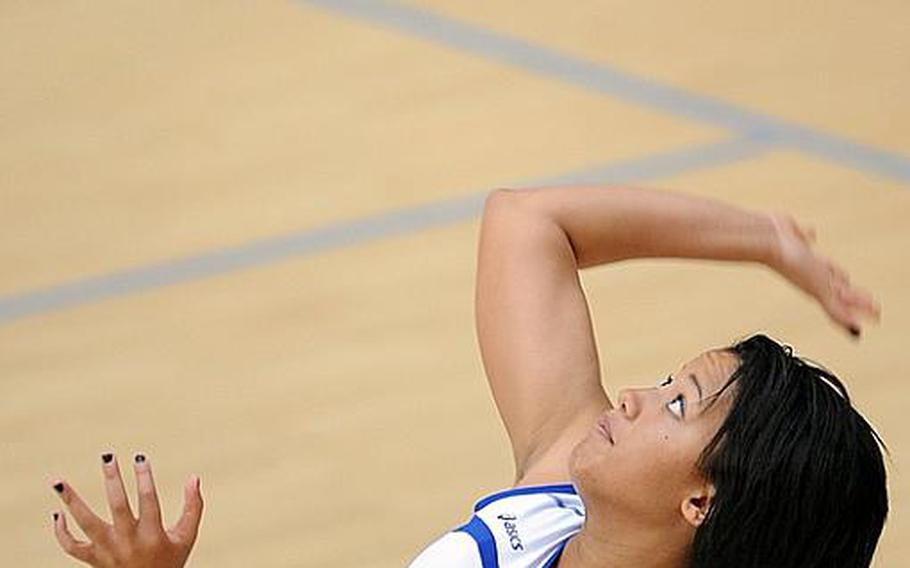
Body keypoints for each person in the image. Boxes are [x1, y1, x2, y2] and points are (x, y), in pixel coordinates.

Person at [49, 186, 888, 567]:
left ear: (702, 501)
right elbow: (528, 223)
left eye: (676, 403)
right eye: (666, 380)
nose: (633, 396)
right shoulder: (561, 490)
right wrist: (766, 239)